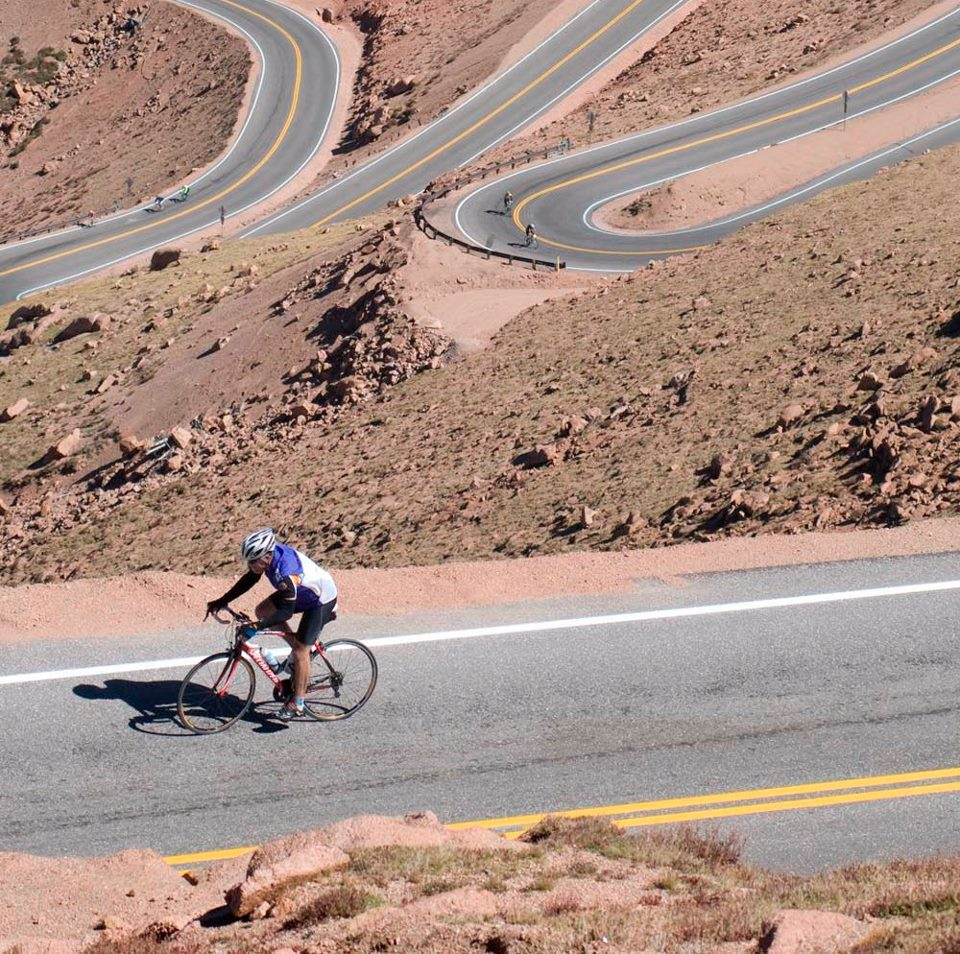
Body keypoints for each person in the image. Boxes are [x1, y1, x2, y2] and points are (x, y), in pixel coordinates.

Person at [206, 528, 338, 721]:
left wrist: (257, 627)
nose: (250, 565)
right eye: (248, 561)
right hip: (301, 593)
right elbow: (251, 578)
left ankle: (298, 702)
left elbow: (285, 612)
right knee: (262, 611)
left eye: (253, 561)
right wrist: (222, 600)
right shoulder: (266, 559)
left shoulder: (287, 572)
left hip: (320, 599)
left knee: (301, 650)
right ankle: (297, 656)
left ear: (267, 557)